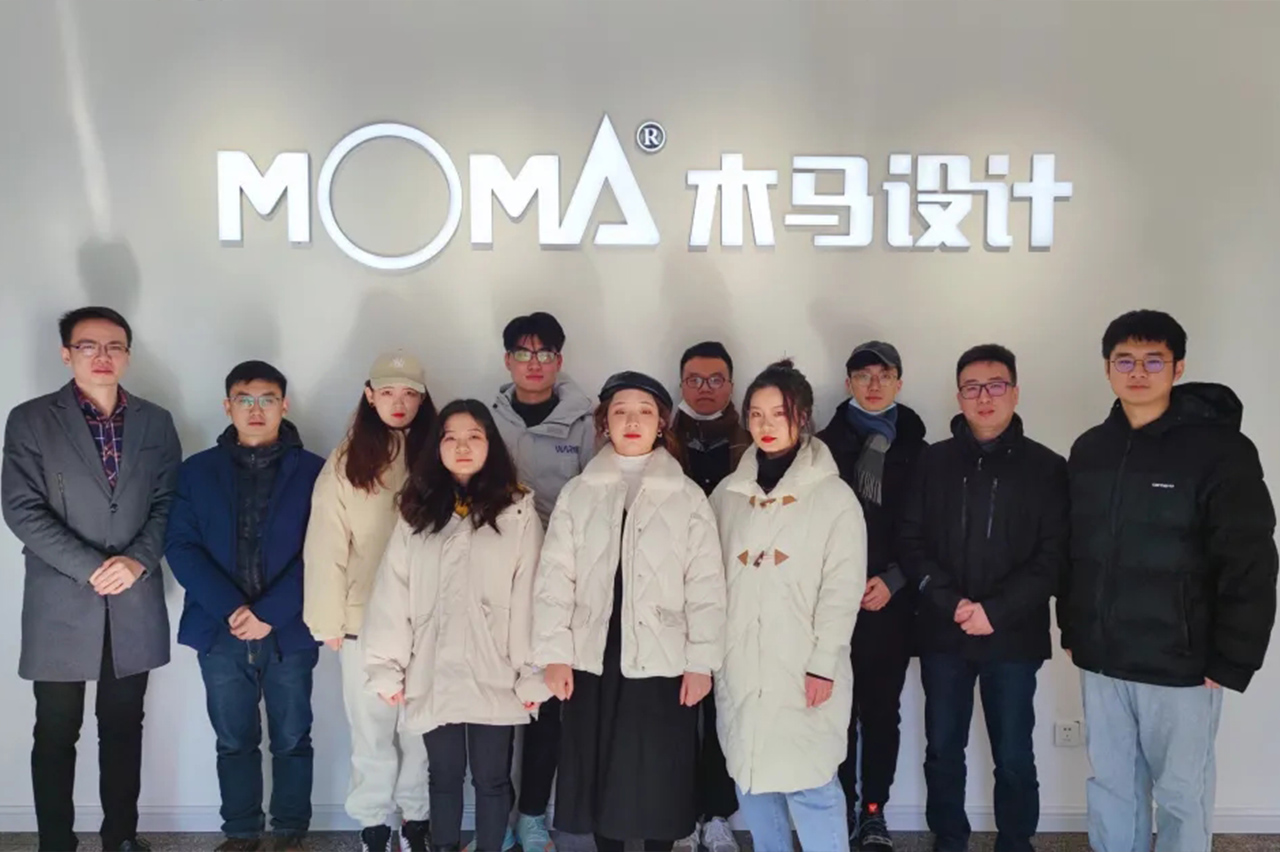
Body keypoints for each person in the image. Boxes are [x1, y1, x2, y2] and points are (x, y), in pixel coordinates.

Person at [1059, 310, 1278, 852]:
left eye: (1153, 360)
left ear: (1178, 368)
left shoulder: (1221, 451)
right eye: (1124, 361)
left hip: (1183, 664)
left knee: (1182, 793)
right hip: (1103, 657)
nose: (1138, 372)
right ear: (1107, 368)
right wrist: (1074, 629)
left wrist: (1232, 658)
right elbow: (1073, 551)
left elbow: (1250, 560)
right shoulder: (1090, 449)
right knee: (1112, 788)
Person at [2, 306, 181, 852]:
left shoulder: (156, 421)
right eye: (88, 346)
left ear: (127, 354)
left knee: (123, 728)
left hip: (134, 597)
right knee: (56, 730)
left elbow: (169, 502)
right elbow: (21, 508)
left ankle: (120, 838)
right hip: (61, 600)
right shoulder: (31, 419)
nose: (102, 356)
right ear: (67, 354)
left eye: (114, 346)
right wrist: (91, 567)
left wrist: (137, 561)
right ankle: (56, 842)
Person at [533, 371, 726, 852]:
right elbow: (554, 579)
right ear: (605, 422)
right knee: (598, 771)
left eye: (644, 411)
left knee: (659, 770)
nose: (632, 421)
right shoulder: (580, 492)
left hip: (663, 656)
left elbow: (706, 586)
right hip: (594, 653)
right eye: (620, 411)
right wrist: (555, 653)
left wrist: (701, 662)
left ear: (662, 422)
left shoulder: (687, 496)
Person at [898, 344, 1068, 852]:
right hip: (942, 631)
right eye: (972, 388)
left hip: (1013, 635)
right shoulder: (932, 461)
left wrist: (996, 610)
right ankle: (949, 839)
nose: (984, 397)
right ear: (959, 397)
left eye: (995, 385)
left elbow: (1054, 556)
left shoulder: (1047, 467)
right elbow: (911, 542)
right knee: (942, 750)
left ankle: (1016, 842)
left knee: (1013, 754)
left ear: (1015, 392)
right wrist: (951, 603)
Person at [363, 400, 550, 852]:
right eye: (451, 438)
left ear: (490, 444)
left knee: (492, 777)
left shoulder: (517, 509)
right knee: (443, 776)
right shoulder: (417, 508)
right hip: (433, 664)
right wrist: (386, 666)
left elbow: (531, 593)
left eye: (474, 437)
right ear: (438, 447)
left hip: (495, 663)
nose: (462, 447)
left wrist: (532, 670)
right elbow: (393, 591)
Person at [164, 361, 325, 852]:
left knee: (292, 738)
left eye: (267, 399)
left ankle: (290, 833)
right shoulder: (196, 471)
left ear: (284, 405)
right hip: (220, 629)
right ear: (227, 406)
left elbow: (325, 550)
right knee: (233, 740)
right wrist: (233, 609)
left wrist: (270, 612)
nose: (256, 409)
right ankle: (241, 833)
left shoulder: (316, 471)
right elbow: (180, 545)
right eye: (245, 399)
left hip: (289, 628)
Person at [711, 359, 867, 852]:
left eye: (778, 413)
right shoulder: (728, 494)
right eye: (756, 414)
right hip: (741, 662)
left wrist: (824, 662)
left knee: (811, 783)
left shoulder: (834, 497)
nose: (766, 425)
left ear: (802, 416)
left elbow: (842, 589)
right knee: (753, 780)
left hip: (803, 663)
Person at [303, 352, 436, 852]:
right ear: (369, 395)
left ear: (422, 399)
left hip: (429, 619)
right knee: (371, 732)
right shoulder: (347, 460)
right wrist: (327, 621)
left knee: (422, 731)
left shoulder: (440, 451)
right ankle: (374, 825)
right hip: (363, 620)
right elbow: (326, 545)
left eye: (409, 394)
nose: (398, 403)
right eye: (388, 392)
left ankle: (417, 822)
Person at [490, 311, 596, 852]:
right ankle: (495, 820)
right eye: (523, 353)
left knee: (547, 706)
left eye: (545, 353)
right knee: (493, 703)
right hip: (496, 579)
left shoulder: (586, 423)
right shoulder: (485, 421)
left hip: (559, 582)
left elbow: (596, 503)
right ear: (507, 360)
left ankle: (532, 815)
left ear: (559, 360)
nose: (534, 363)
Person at [817, 341, 927, 852]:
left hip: (892, 601)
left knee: (881, 712)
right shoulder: (821, 447)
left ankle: (874, 812)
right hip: (831, 603)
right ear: (849, 384)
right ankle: (838, 808)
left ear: (899, 382)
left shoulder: (920, 448)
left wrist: (895, 580)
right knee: (835, 712)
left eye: (885, 375)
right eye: (864, 375)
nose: (875, 384)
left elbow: (930, 527)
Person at [669, 342, 749, 852]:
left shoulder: (751, 441)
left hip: (738, 595)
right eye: (695, 380)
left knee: (724, 711)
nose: (705, 388)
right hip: (670, 599)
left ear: (731, 385)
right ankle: (679, 815)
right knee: (675, 711)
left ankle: (718, 814)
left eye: (715, 379)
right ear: (681, 384)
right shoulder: (661, 437)